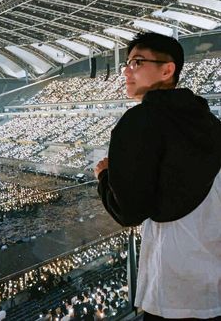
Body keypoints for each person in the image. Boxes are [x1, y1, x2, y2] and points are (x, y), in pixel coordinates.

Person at [94, 32, 221, 320]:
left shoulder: (139, 121)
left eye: (137, 62)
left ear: (167, 69)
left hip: (172, 285)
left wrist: (103, 177)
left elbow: (129, 212)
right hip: (213, 277)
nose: (126, 70)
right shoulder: (209, 121)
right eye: (126, 64)